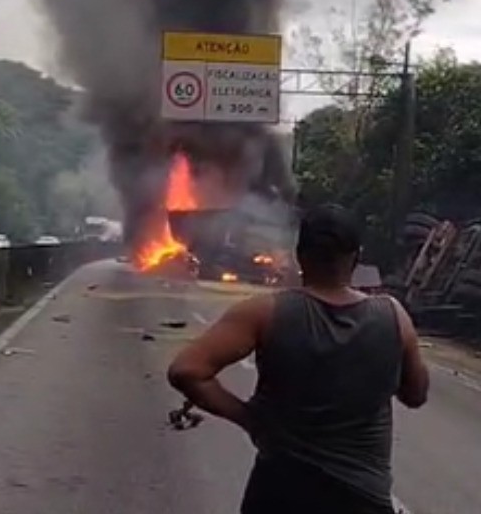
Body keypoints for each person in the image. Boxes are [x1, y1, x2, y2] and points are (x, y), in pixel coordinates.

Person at [167, 204, 430, 514]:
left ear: (299, 254)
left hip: (279, 490)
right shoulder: (393, 316)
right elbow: (415, 395)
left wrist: (250, 420)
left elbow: (186, 370)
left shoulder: (264, 312)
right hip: (362, 497)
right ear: (356, 257)